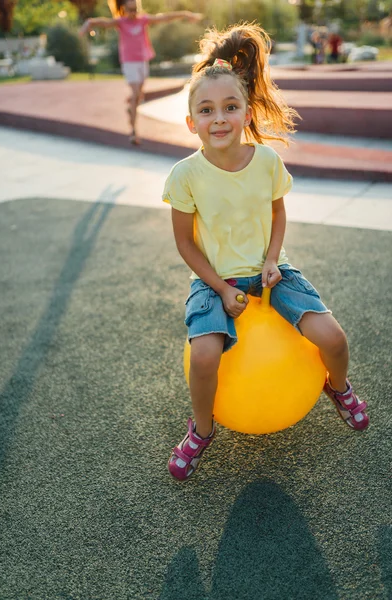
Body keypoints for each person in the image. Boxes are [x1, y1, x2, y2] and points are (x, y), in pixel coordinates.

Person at [162, 23, 369, 482]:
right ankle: (201, 430)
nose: (219, 119)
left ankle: (339, 389)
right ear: (191, 121)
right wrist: (219, 287)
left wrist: (273, 260)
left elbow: (278, 216)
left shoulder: (268, 162)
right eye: (207, 110)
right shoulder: (185, 175)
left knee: (332, 338)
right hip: (214, 281)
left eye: (230, 107)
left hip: (272, 272)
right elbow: (184, 241)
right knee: (203, 357)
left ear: (246, 111)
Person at [79, 0, 202, 145]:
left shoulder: (143, 20)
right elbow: (103, 22)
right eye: (130, 9)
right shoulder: (121, 22)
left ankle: (131, 107)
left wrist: (186, 14)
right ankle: (133, 131)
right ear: (124, 9)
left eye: (135, 9)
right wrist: (89, 23)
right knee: (137, 93)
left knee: (138, 95)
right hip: (129, 62)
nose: (133, 13)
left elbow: (164, 17)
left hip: (142, 61)